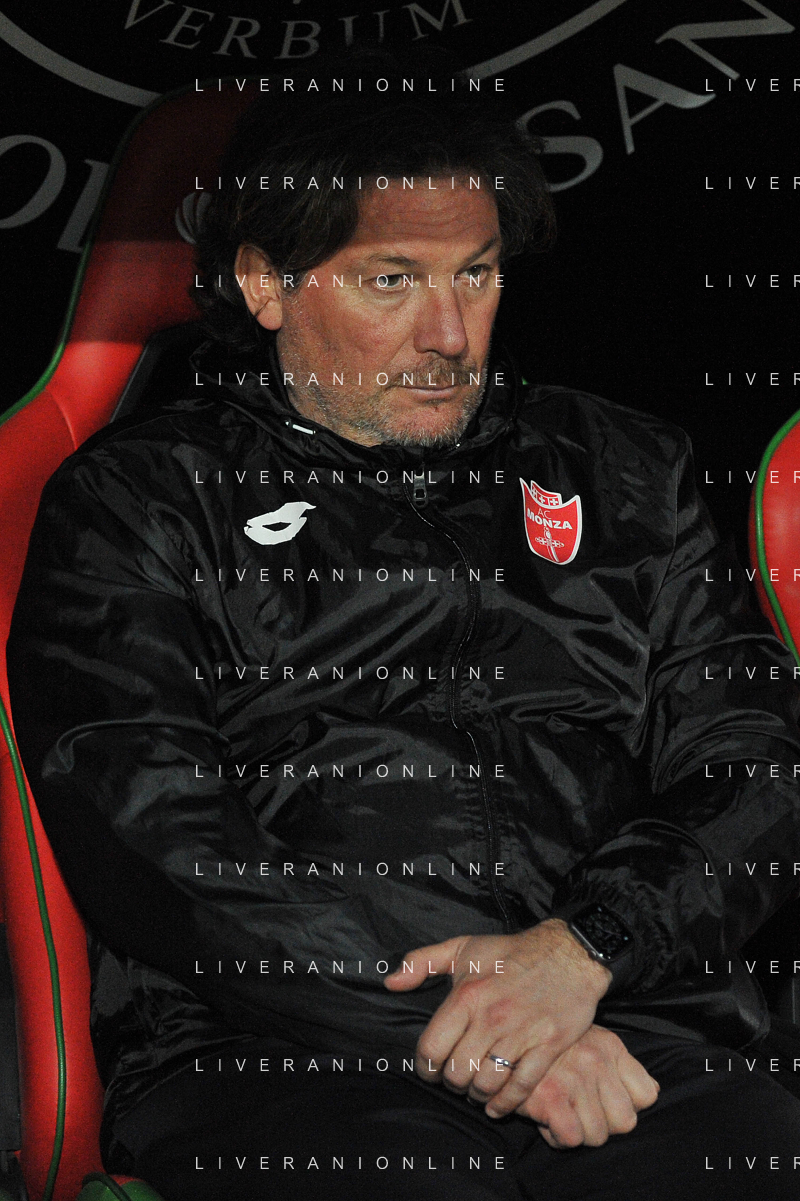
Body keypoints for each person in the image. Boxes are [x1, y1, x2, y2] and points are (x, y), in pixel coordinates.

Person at [8, 54, 800, 1201]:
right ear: (266, 282)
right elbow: (151, 829)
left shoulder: (628, 471)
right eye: (390, 280)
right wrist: (475, 1025)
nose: (448, 333)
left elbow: (757, 763)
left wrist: (583, 949)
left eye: (474, 273)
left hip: (623, 1029)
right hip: (281, 1055)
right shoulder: (145, 500)